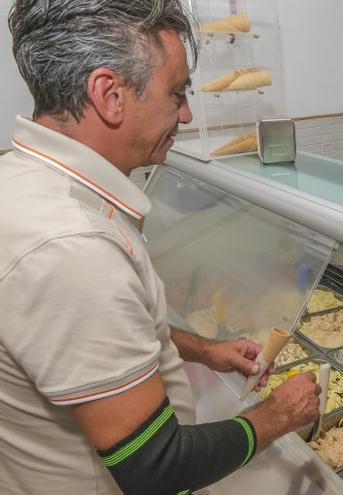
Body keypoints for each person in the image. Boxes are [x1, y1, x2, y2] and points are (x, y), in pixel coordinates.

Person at [0, 2, 320, 494]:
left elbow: (85, 334)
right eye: (177, 93)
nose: (187, 113)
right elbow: (155, 466)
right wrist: (276, 417)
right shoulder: (72, 247)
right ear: (110, 94)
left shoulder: (20, 178)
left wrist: (200, 349)